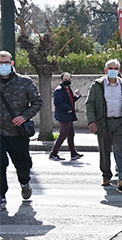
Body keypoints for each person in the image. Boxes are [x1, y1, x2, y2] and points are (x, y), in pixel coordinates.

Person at [0, 51, 42, 209]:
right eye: (0, 63)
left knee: (23, 165)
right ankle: (1, 196)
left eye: (6, 62)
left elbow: (37, 102)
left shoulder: (25, 82)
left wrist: (24, 117)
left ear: (12, 63)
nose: (3, 65)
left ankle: (25, 183)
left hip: (18, 133)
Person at [85, 59, 122, 191]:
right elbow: (90, 104)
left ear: (119, 70)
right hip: (103, 122)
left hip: (120, 122)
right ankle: (106, 175)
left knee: (120, 149)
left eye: (116, 68)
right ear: (105, 70)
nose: (113, 71)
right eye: (111, 68)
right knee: (104, 150)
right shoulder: (97, 85)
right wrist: (91, 121)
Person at [49, 72, 83, 161]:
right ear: (61, 80)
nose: (67, 81)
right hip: (64, 116)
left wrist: (77, 96)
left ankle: (73, 153)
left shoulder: (67, 89)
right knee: (63, 135)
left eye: (68, 79)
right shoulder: (59, 90)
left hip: (68, 115)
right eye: (65, 79)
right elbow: (57, 102)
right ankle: (53, 153)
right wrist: (67, 108)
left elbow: (70, 101)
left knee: (71, 134)